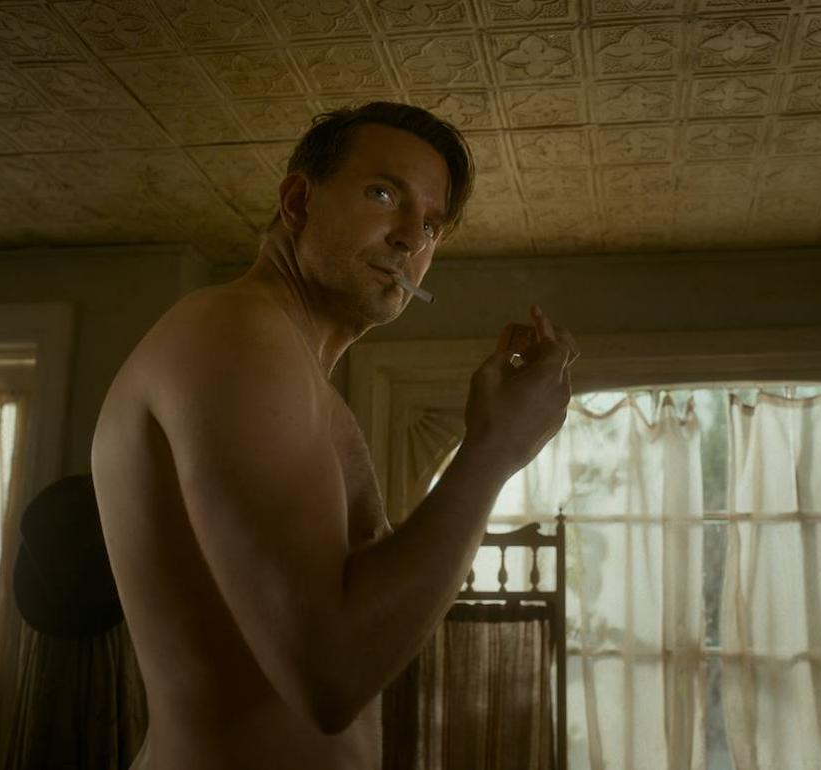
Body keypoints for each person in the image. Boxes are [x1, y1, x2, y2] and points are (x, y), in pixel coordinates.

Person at [90, 102, 579, 769]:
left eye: (431, 224)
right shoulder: (235, 332)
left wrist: (495, 440)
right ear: (298, 201)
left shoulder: (302, 381)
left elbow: (366, 615)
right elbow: (329, 673)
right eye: (384, 195)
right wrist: (493, 450)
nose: (410, 240)